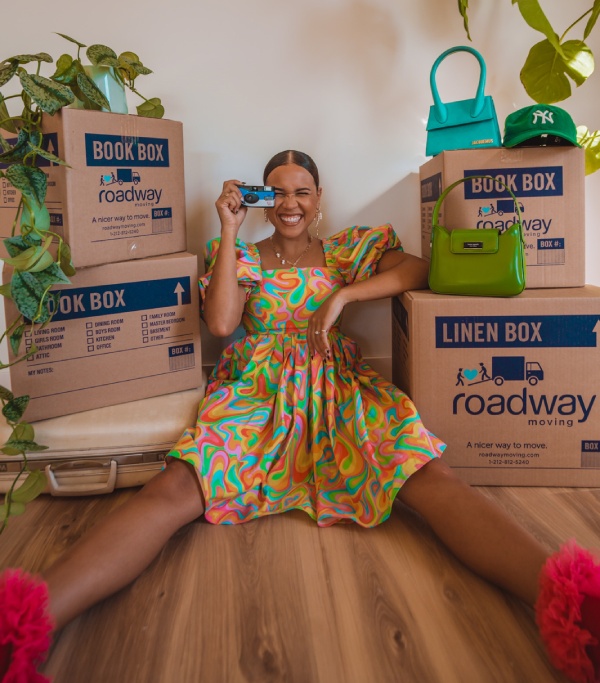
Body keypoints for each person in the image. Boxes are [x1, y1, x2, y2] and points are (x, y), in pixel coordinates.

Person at [1, 150, 599, 683]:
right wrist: (228, 228)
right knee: (176, 487)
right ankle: (25, 625)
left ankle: (574, 609)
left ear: (319, 199)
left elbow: (419, 268)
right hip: (257, 394)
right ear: (260, 199)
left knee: (427, 473)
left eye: (302, 192)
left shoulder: (347, 249)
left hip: (337, 388)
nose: (290, 203)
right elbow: (221, 324)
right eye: (277, 192)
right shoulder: (238, 254)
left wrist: (345, 294)